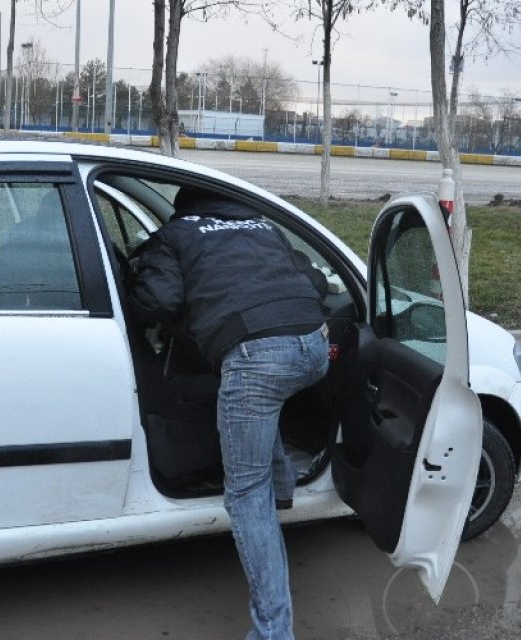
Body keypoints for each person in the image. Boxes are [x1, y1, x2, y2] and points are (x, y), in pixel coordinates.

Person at [129, 187, 329, 640]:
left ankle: (273, 633)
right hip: (315, 347)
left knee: (245, 495)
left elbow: (159, 301)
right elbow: (314, 282)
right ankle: (283, 482)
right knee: (264, 399)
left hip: (257, 359)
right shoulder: (263, 228)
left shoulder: (175, 235)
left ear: (184, 207)